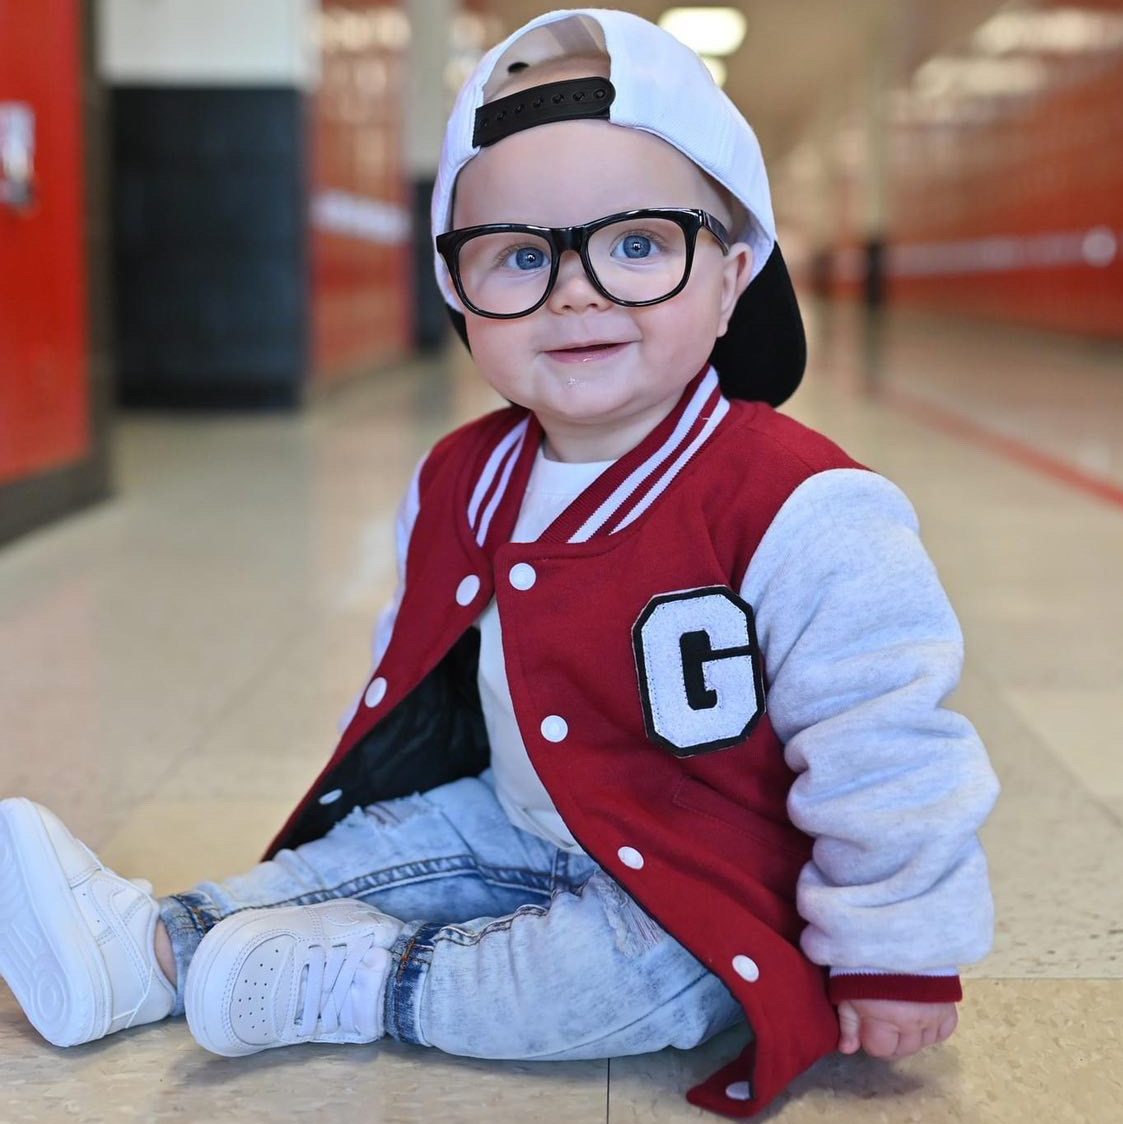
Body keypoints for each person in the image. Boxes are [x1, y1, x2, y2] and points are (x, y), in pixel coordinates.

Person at [0, 9, 999, 1118]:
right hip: (516, 811)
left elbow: (887, 745)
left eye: (635, 244)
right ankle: (149, 944)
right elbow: (417, 666)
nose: (575, 290)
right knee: (387, 842)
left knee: (649, 978)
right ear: (458, 295)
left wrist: (894, 947)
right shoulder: (461, 476)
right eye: (520, 257)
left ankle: (360, 983)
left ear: (734, 272)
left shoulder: (802, 503)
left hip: (705, 872)